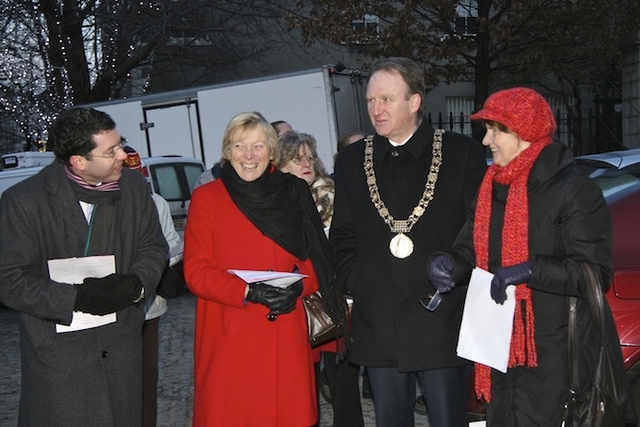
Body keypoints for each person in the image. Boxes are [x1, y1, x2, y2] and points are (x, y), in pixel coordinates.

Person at [427, 87, 617, 426]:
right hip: (498, 343)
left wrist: (530, 270)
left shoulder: (573, 189)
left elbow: (594, 272)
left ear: (523, 132)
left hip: (553, 354)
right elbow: (469, 247)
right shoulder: (491, 186)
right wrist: (450, 265)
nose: (486, 141)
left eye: (495, 130)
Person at [330, 57, 487, 427]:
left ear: (414, 102)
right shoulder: (353, 160)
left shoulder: (461, 153)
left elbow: (478, 227)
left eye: (386, 99)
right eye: (370, 101)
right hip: (380, 320)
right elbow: (342, 236)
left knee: (449, 419)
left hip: (441, 318)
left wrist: (456, 266)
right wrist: (358, 282)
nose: (375, 109)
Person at [0, 107, 168, 426]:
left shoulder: (132, 188)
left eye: (120, 144)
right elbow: (9, 280)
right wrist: (75, 299)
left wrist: (137, 284)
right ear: (78, 161)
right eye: (111, 151)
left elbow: (153, 246)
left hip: (121, 355)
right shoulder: (23, 201)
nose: (123, 155)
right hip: (60, 366)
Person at [183, 111, 347, 426]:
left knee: (287, 415)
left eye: (258, 146)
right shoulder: (207, 198)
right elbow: (196, 270)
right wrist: (247, 291)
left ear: (271, 152)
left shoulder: (293, 191)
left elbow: (319, 258)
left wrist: (302, 285)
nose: (248, 156)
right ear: (227, 151)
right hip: (230, 330)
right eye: (239, 146)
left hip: (286, 329)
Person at [278, 131, 364, 427]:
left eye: (310, 157)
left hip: (334, 299)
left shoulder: (330, 194)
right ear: (280, 164)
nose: (306, 163)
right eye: (297, 158)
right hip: (296, 302)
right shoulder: (276, 202)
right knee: (303, 382)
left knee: (343, 380)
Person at [123, 145, 184, 427]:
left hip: (151, 306)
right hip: (118, 306)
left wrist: (157, 260)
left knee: (148, 373)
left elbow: (174, 244)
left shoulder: (156, 202)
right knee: (123, 374)